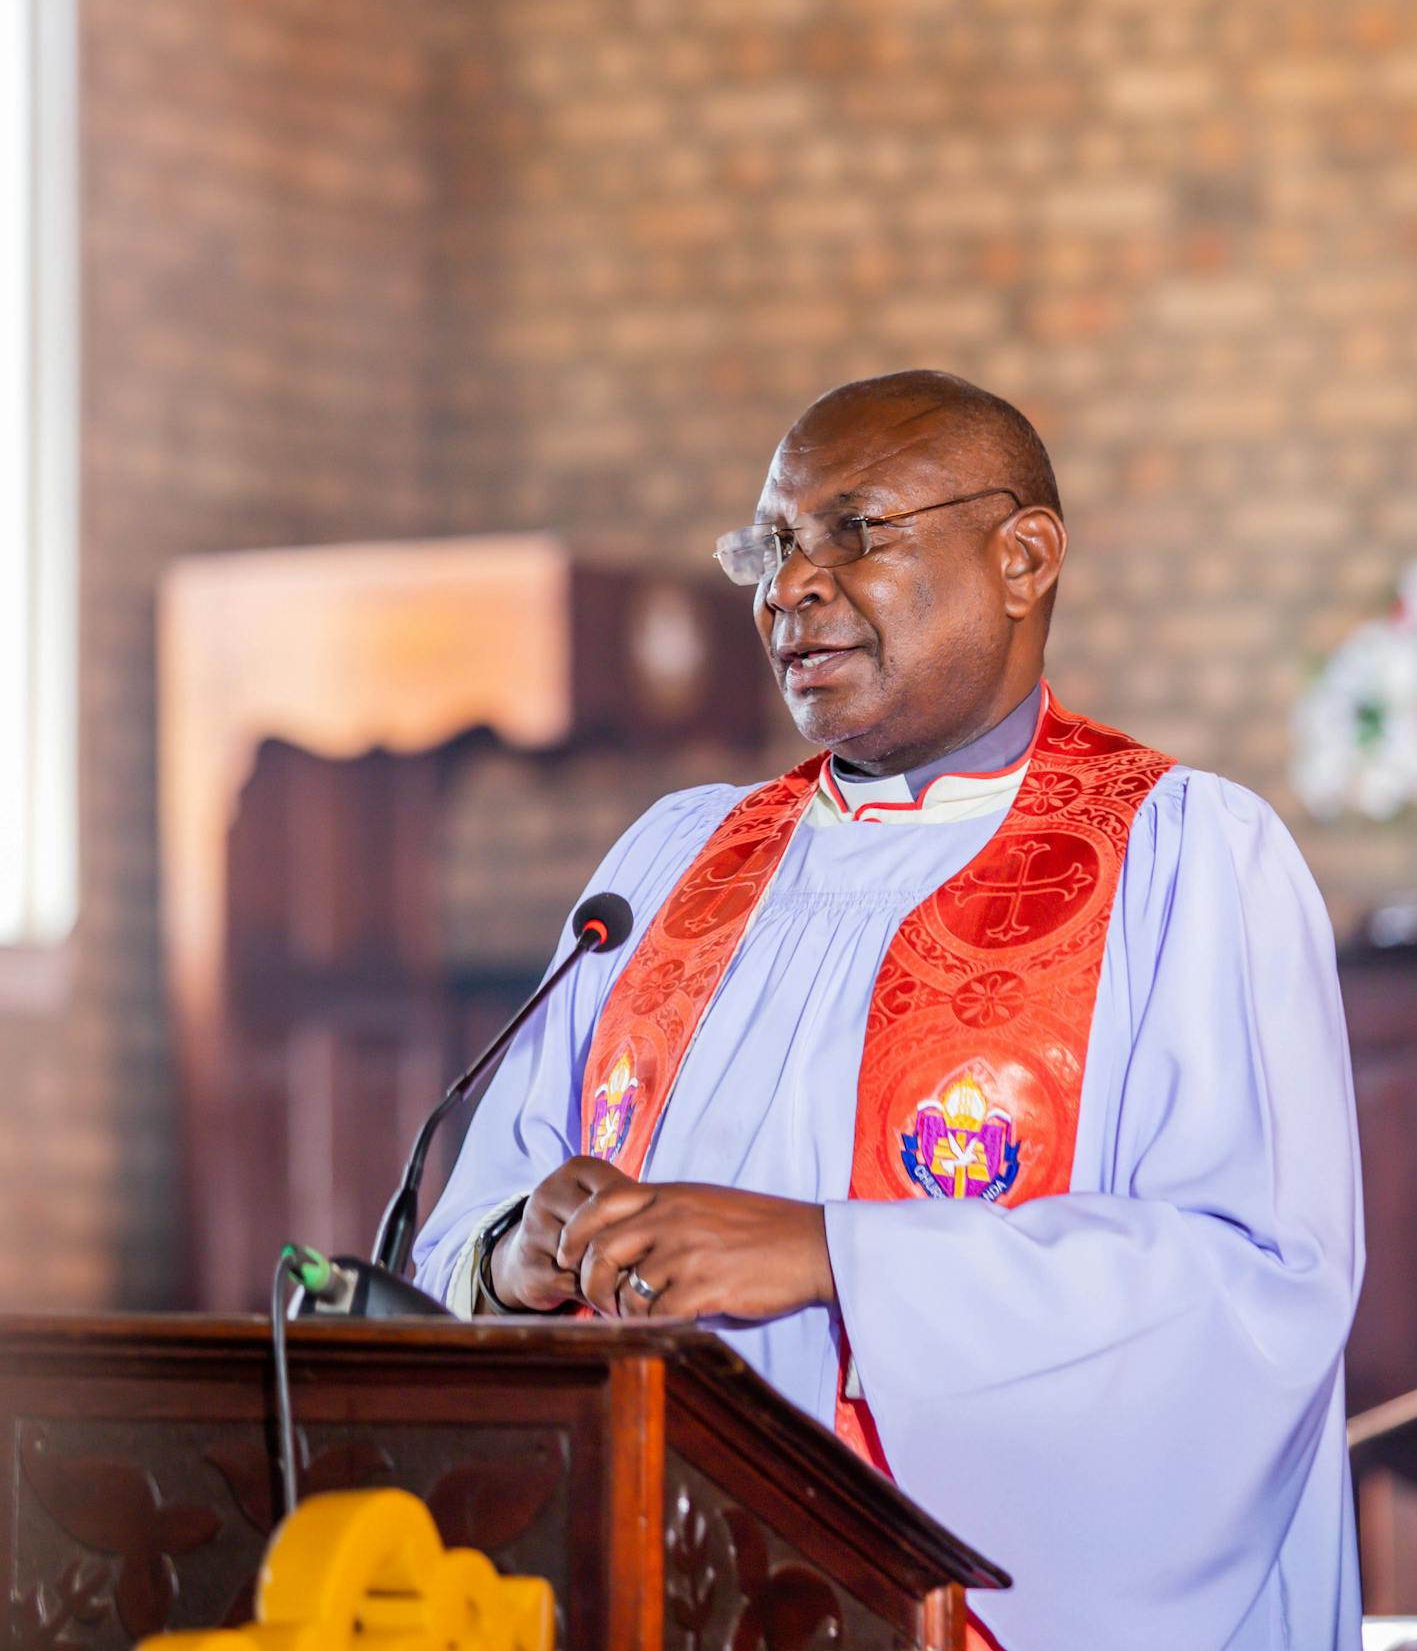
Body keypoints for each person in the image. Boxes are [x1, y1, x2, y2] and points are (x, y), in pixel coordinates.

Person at [414, 369, 1364, 1651]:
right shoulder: (666, 864)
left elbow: (1254, 1294)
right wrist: (513, 1258)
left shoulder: (1180, 858)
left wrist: (829, 1253)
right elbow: (461, 1241)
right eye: (774, 543)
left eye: (854, 532)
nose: (789, 586)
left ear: (1023, 556)